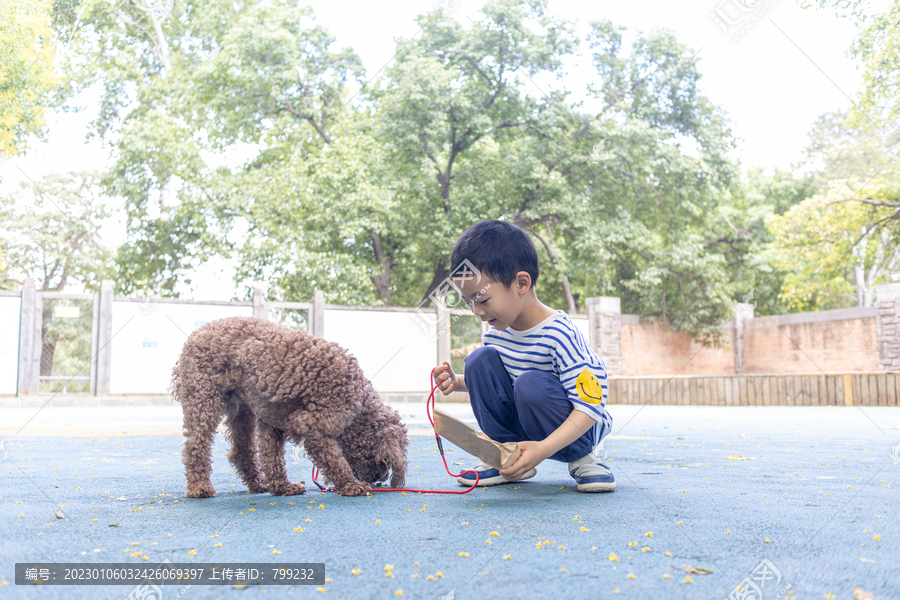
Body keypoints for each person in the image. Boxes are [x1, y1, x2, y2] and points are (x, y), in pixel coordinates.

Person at [433, 220, 615, 492]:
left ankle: (584, 458)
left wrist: (543, 449)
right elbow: (501, 383)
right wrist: (457, 381)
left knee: (529, 384)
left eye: (482, 300)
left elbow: (590, 405)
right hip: (527, 422)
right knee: (478, 362)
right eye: (469, 302)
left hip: (575, 429)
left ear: (520, 283)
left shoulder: (560, 334)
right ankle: (506, 456)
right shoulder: (495, 331)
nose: (476, 312)